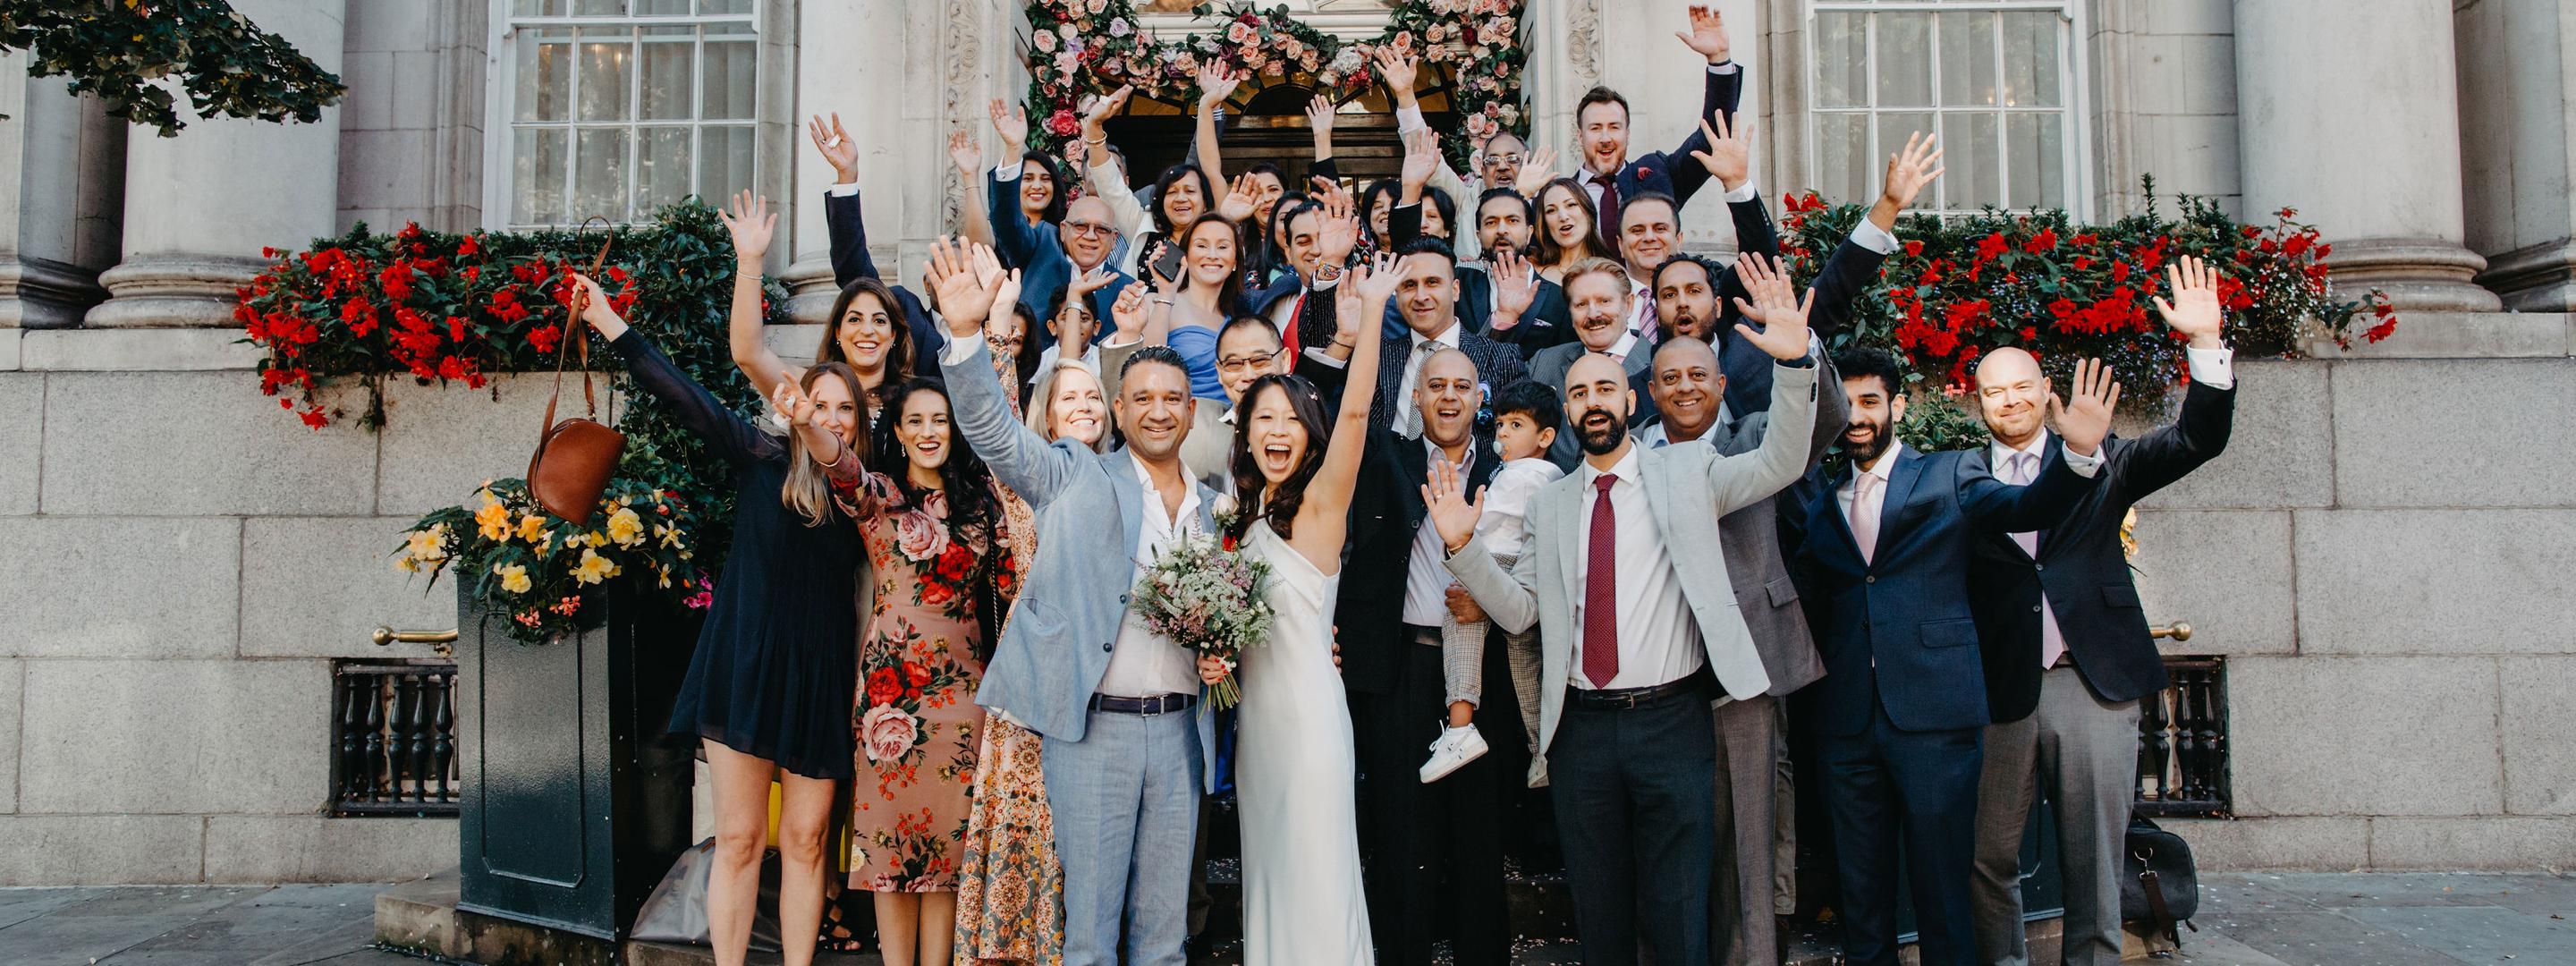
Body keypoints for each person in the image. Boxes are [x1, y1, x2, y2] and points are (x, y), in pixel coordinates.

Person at [1425, 275, 1823, 966]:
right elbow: (1521, 614)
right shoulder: (1550, 503)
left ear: (1630, 400)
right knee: (1600, 916)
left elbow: (1784, 459)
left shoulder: (1691, 471)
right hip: (1581, 730)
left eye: (1605, 389)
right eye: (1578, 393)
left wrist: (1795, 364)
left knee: (1678, 914)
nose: (1592, 403)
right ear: (1569, 414)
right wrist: (1462, 548)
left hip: (1673, 724)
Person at [568, 221, 863, 966]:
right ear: (795, 407)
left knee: (806, 840)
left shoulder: (864, 493)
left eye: (844, 409)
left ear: (859, 423)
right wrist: (611, 322)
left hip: (820, 672)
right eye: (818, 403)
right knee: (739, 836)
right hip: (745, 663)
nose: (829, 417)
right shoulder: (759, 455)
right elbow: (684, 393)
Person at [1778, 348, 2119, 966]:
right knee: (1861, 893)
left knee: (1943, 891)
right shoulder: (1823, 503)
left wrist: (2074, 457)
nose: (1856, 416)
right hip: (1848, 724)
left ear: (1897, 406)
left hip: (1935, 719)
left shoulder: (1951, 474)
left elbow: (2025, 509)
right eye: (1845, 403)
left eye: (1870, 402)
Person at [933, 239, 1222, 966]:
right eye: (1143, 399)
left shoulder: (1220, 513)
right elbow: (996, 437)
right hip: (1096, 735)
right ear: (1116, 407)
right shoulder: (1073, 474)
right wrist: (967, 337)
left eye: (1174, 401)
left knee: (1165, 940)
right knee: (1089, 939)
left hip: (1185, 736)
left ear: (1193, 413)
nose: (1159, 413)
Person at [1965, 258, 2238, 966]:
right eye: (1996, 391)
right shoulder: (1957, 477)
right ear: (1978, 402)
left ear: (2047, 391)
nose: (2011, 400)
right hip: (1999, 693)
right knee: (1989, 857)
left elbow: (2195, 440)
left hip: (2092, 684)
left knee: (2092, 865)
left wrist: (2205, 346)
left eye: (2023, 386)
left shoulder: (2108, 460)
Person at [1196, 254, 1399, 966]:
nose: (1277, 431)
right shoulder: (1237, 519)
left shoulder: (1321, 508)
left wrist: (1371, 310)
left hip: (1312, 723)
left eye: (1291, 419)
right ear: (1244, 433)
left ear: (1310, 434)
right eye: (1263, 419)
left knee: (1318, 876)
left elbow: (1354, 406)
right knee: (1271, 877)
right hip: (1258, 728)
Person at [1633, 332, 1846, 965]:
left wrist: (1800, 352)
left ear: (1722, 383)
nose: (1685, 387)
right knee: (1672, 832)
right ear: (1650, 392)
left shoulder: (1753, 435)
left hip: (1748, 661)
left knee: (1751, 833)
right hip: (1660, 670)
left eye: (1698, 375)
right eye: (1669, 379)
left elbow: (1824, 419)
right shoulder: (1635, 460)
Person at [830, 369, 1016, 966]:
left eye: (940, 419)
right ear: (900, 432)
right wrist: (808, 419)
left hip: (963, 692)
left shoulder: (983, 499)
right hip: (890, 690)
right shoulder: (878, 494)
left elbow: (1016, 582)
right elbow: (838, 465)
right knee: (889, 850)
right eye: (917, 421)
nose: (930, 431)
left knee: (947, 852)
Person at [1422, 379, 1564, 784]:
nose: (1502, 432)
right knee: (1526, 664)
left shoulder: (1526, 474)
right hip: (1518, 564)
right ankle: (1541, 751)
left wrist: (1459, 534)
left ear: (1545, 437)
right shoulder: (1538, 473)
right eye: (1500, 424)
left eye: (1516, 425)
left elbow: (1481, 522)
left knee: (1460, 625)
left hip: (1498, 561)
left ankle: (1460, 724)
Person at [1295, 235, 1530, 441]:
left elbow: (1523, 434)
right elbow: (1308, 400)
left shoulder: (1500, 357)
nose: (1421, 296)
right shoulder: (1375, 354)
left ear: (1455, 289)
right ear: (1396, 296)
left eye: (1432, 282)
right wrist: (1345, 338)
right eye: (1409, 285)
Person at [1569, 5, 1743, 250]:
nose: (1606, 137)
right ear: (1580, 135)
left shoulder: (1659, 176)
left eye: (1614, 127)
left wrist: (1719, 61)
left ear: (1627, 134)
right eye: (1596, 128)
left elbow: (1713, 137)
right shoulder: (1560, 198)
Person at [975, 97, 1136, 336]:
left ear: (1114, 239)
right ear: (1063, 229)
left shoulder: (1124, 288)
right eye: (1080, 226)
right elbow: (1007, 224)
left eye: (1101, 230)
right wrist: (1013, 151)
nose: (1090, 236)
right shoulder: (1043, 244)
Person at [809, 115, 946, 375]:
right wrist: (847, 177)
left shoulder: (998, 330)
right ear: (927, 284)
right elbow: (855, 275)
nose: (952, 281)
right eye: (943, 272)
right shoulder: (906, 313)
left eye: (962, 273)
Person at [1081, 70, 1229, 278]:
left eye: (1189, 191)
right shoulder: (1143, 226)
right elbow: (1110, 185)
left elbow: (1210, 168)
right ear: (1160, 200)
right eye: (1171, 192)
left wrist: (1208, 107)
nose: (1181, 198)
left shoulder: (1218, 231)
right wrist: (1094, 126)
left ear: (1205, 201)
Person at [1529, 258, 1657, 466]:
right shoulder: (1544, 364)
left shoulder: (1658, 366)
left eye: (1604, 301)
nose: (1593, 314)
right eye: (1581, 304)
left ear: (1629, 304)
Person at [1530, 177, 1617, 285]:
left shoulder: (1612, 274)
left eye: (1571, 205)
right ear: (1543, 223)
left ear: (1588, 211)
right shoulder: (1530, 268)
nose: (1563, 217)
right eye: (1551, 210)